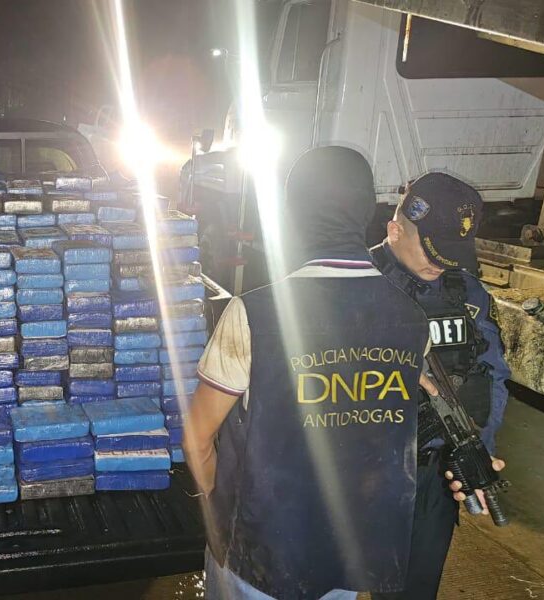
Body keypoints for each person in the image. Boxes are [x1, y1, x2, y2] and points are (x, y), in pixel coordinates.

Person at [184, 146, 431, 600]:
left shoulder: (252, 314)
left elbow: (198, 439)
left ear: (292, 213)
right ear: (367, 212)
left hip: (258, 559)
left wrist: (217, 514)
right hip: (350, 556)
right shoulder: (413, 321)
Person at [369, 172, 509, 599]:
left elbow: (491, 371)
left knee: (415, 588)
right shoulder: (356, 280)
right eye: (433, 250)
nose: (442, 264)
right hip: (363, 468)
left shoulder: (466, 291)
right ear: (395, 230)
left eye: (453, 252)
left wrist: (479, 445)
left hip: (435, 470)